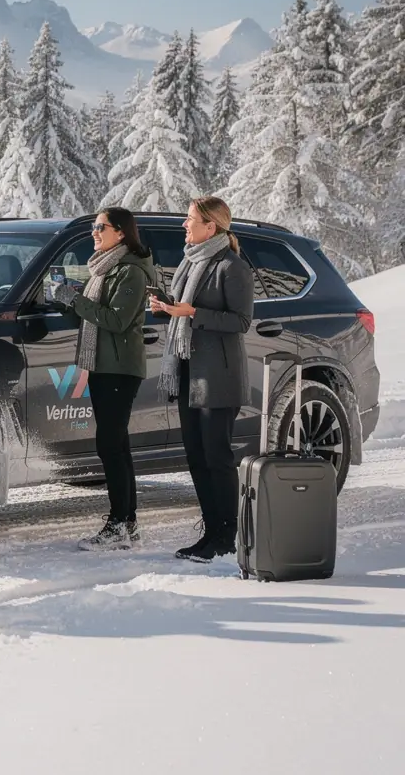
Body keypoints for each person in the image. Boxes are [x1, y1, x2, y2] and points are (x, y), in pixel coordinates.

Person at [149, 196, 253, 562]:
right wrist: (167, 308)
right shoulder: (190, 262)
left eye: (190, 219)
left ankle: (227, 536)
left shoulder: (231, 266)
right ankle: (211, 531)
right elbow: (186, 313)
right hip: (189, 371)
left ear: (212, 226)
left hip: (218, 378)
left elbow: (241, 322)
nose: (184, 225)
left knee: (217, 458)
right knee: (196, 457)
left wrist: (193, 312)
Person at [52, 208, 156, 550]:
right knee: (116, 446)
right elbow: (93, 310)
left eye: (101, 227)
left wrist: (74, 299)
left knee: (110, 446)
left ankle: (119, 524)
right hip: (101, 365)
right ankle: (127, 523)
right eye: (94, 226)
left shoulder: (130, 271)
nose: (94, 232)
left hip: (119, 368)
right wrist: (66, 295)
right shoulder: (102, 267)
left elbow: (116, 321)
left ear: (121, 233)